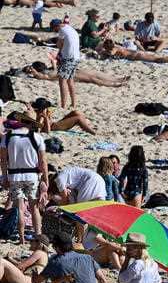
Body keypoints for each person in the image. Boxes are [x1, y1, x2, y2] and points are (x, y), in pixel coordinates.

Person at [0, 112, 48, 243]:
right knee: (34, 208)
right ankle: (38, 236)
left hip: (14, 176)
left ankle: (21, 238)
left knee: (19, 208)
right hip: (32, 176)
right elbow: (43, 161)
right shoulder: (37, 137)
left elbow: (3, 160)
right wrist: (45, 180)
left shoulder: (7, 137)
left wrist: (5, 178)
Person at [24, 60, 128, 88]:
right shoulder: (42, 75)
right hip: (71, 75)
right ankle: (114, 84)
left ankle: (117, 79)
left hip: (71, 70)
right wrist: (31, 70)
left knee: (95, 73)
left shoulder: (47, 72)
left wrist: (54, 64)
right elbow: (38, 75)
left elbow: (54, 71)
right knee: (92, 78)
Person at [97, 39, 168, 66]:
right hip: (136, 53)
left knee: (157, 60)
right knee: (156, 58)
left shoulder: (114, 50)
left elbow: (110, 54)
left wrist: (102, 52)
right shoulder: (116, 47)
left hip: (137, 55)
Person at [32, 97, 96, 135]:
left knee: (76, 112)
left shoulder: (41, 113)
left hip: (55, 124)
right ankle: (93, 132)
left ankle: (86, 126)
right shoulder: (41, 116)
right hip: (55, 127)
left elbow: (49, 121)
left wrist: (49, 115)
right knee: (78, 118)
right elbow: (47, 131)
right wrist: (46, 117)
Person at [55, 18, 81, 109]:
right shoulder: (69, 28)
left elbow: (59, 45)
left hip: (69, 58)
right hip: (76, 57)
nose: (56, 31)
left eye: (55, 29)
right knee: (70, 80)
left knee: (62, 81)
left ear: (57, 26)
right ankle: (73, 104)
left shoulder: (62, 30)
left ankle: (63, 105)